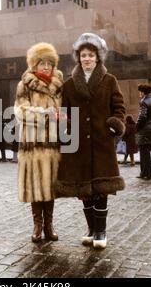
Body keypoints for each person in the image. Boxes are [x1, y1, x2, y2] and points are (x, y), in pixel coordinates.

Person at [53, 33, 126, 249]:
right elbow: (63, 111)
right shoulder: (69, 84)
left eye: (90, 55)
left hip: (101, 142)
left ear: (97, 57)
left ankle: (101, 232)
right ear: (78, 57)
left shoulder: (109, 80)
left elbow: (119, 108)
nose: (86, 59)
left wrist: (115, 123)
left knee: (101, 188)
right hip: (78, 145)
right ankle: (91, 229)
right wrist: (62, 124)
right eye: (83, 55)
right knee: (84, 190)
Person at [14, 42, 63, 243]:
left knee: (50, 186)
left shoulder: (59, 84)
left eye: (49, 63)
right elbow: (19, 111)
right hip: (32, 144)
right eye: (42, 63)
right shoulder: (25, 84)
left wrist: (64, 116)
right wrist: (45, 114)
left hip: (52, 143)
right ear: (34, 64)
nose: (46, 67)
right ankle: (37, 225)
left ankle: (49, 225)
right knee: (35, 185)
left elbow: (67, 108)